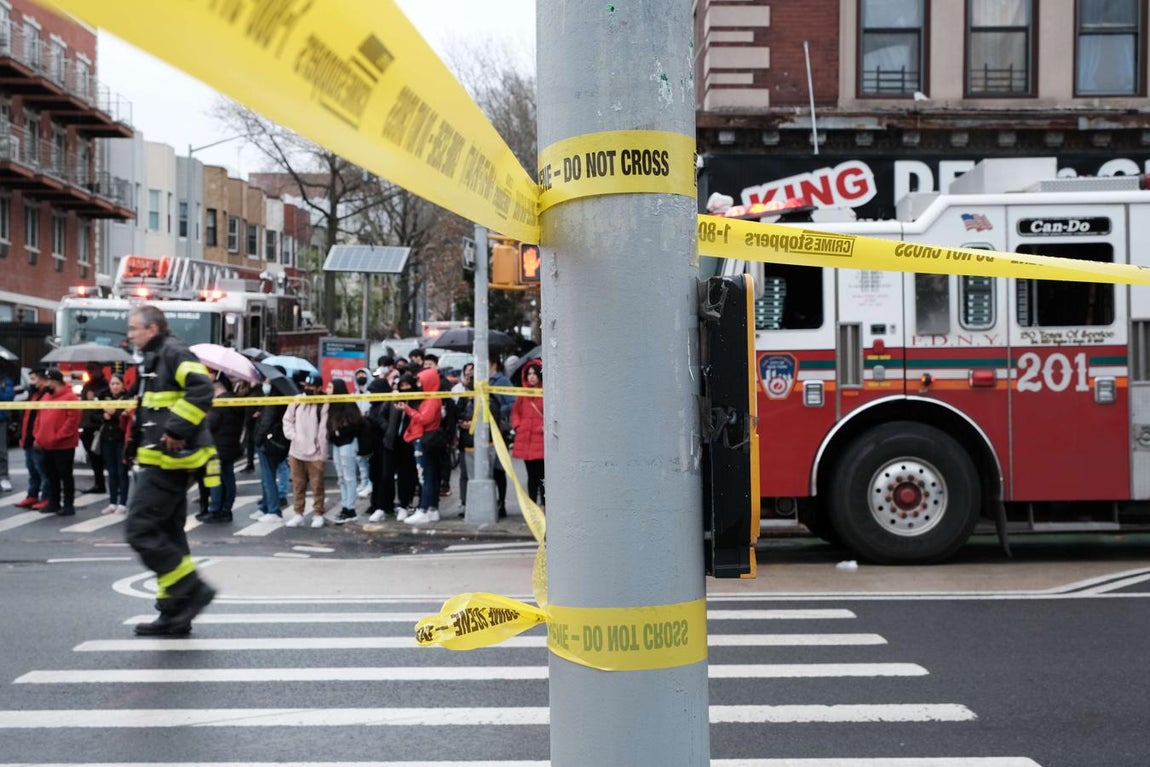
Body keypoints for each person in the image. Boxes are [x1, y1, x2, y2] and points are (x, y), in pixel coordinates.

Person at [123, 304, 218, 636]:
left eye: (134, 328)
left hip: (173, 460)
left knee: (140, 530)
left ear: (152, 328)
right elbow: (150, 410)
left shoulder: (174, 351)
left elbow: (202, 389)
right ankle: (174, 614)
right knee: (168, 534)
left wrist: (177, 430)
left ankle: (192, 589)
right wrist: (131, 449)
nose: (130, 334)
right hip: (158, 458)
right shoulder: (154, 356)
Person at [282, 372, 329, 528]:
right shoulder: (297, 400)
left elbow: (323, 431)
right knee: (298, 485)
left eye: (311, 386)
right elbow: (287, 420)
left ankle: (318, 513)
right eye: (306, 386)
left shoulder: (324, 403)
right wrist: (293, 436)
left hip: (315, 453)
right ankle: (298, 513)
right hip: (296, 451)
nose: (308, 389)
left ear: (318, 388)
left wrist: (322, 454)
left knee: (317, 486)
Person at [32, 368, 81, 517]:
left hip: (63, 445)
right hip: (47, 444)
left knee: (65, 475)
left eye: (47, 380)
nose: (45, 383)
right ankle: (54, 502)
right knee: (51, 475)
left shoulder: (70, 398)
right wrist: (38, 436)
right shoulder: (45, 397)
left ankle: (68, 504)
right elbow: (39, 419)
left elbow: (72, 421)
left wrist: (57, 436)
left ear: (55, 381)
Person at [399, 367, 445, 525]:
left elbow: (424, 419)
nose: (418, 384)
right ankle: (431, 508)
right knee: (429, 476)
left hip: (424, 439)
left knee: (425, 477)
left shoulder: (432, 400)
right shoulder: (430, 398)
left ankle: (424, 509)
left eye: (420, 380)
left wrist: (407, 409)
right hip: (426, 440)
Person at [202, 375, 244, 524]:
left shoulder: (219, 404)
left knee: (216, 480)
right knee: (228, 478)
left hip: (217, 446)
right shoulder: (236, 401)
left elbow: (210, 425)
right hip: (231, 445)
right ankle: (227, 509)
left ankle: (215, 509)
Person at [328, 378, 369, 524]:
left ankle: (350, 508)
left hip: (348, 442)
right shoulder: (331, 404)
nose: (327, 390)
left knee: (349, 477)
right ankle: (345, 506)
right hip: (337, 444)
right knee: (341, 477)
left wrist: (341, 432)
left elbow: (357, 423)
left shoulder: (348, 403)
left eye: (330, 387)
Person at [97, 373, 133, 515]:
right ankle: (112, 502)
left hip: (121, 439)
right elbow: (94, 414)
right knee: (111, 472)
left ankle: (123, 503)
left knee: (122, 472)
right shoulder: (104, 397)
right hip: (107, 438)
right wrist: (103, 416)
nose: (115, 387)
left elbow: (129, 416)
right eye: (112, 384)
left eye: (118, 383)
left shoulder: (128, 398)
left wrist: (115, 413)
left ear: (123, 385)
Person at [512, 359, 545, 508]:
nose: (531, 376)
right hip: (526, 440)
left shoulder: (546, 393)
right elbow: (515, 413)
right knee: (531, 477)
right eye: (529, 373)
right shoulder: (522, 394)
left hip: (541, 440)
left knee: (543, 478)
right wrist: (518, 426)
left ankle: (545, 507)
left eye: (534, 373)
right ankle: (533, 508)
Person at [14, 370, 49, 509]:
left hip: (38, 440)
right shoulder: (33, 395)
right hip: (29, 439)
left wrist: (39, 438)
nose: (31, 382)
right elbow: (26, 418)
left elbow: (43, 420)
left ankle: (46, 497)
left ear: (42, 380)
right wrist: (22, 436)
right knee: (32, 470)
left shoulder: (45, 396)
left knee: (43, 471)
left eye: (33, 379)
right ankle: (32, 495)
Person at [78, 361, 109, 495]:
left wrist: (95, 399)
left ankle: (107, 484)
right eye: (88, 369)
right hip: (87, 426)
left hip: (98, 427)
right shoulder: (87, 386)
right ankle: (99, 483)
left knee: (103, 457)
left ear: (100, 369)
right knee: (93, 458)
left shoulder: (105, 386)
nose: (90, 372)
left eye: (92, 369)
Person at [352, 367, 373, 499]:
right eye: (358, 374)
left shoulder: (371, 393)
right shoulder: (354, 395)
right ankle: (363, 481)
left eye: (363, 374)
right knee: (359, 458)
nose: (361, 377)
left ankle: (370, 483)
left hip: (368, 429)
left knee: (369, 458)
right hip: (357, 428)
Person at [0, 363, 14, 492]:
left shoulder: (5, 380)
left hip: (1, 419)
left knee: (2, 451)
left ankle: (4, 477)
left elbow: (8, 396)